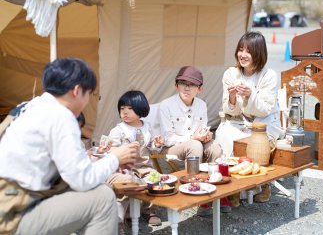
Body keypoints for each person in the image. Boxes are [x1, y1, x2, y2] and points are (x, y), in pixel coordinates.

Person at [0, 58, 139, 235]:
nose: (88, 100)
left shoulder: (28, 107)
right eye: (89, 93)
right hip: (13, 214)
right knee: (103, 198)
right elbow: (82, 180)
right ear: (77, 91)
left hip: (11, 201)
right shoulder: (60, 116)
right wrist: (115, 158)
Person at [215, 31, 282, 203]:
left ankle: (261, 184)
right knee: (225, 135)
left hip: (263, 123)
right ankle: (233, 188)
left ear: (258, 53)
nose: (242, 55)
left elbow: (265, 109)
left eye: (248, 51)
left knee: (254, 142)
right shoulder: (231, 74)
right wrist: (231, 98)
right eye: (240, 49)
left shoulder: (269, 76)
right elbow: (230, 109)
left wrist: (250, 95)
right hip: (238, 120)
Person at [158, 66, 228, 216]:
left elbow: (203, 128)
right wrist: (193, 138)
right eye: (183, 83)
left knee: (215, 147)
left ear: (199, 89)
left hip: (195, 143)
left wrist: (207, 135)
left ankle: (218, 192)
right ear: (176, 85)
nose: (187, 87)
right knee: (195, 145)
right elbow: (168, 138)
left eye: (192, 84)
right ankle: (195, 194)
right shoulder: (166, 105)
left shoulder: (201, 104)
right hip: (171, 147)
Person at [108, 90, 163, 226]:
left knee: (155, 179)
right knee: (127, 185)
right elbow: (112, 150)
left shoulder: (146, 127)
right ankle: (126, 215)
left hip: (145, 167)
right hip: (126, 168)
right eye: (122, 108)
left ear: (141, 109)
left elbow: (151, 147)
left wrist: (156, 144)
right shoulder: (119, 130)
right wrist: (119, 149)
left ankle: (149, 211)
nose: (125, 112)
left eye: (130, 109)